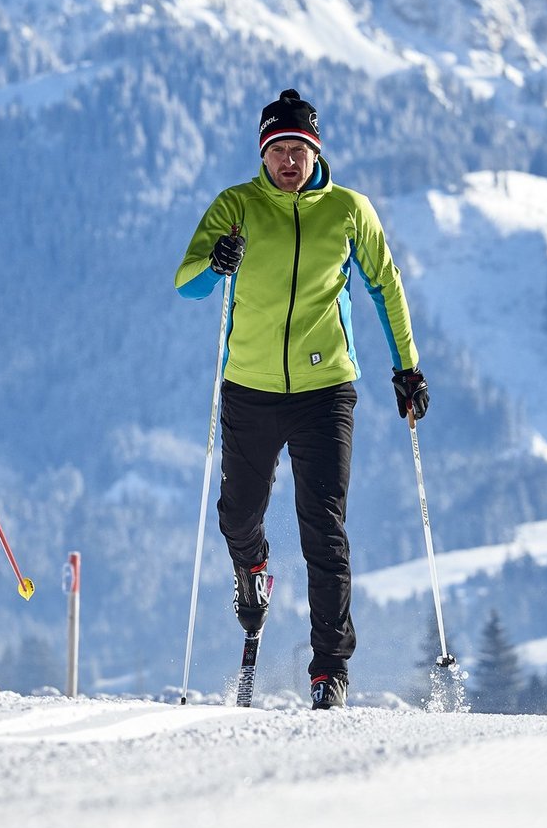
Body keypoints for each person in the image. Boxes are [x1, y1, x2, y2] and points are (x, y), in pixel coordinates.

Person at [175, 88, 428, 710]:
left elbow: (385, 285)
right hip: (250, 387)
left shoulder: (348, 210)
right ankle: (252, 568)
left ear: (317, 151)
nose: (290, 160)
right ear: (263, 154)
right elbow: (188, 285)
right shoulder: (235, 207)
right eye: (279, 149)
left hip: (325, 391)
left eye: (300, 149)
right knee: (237, 515)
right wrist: (217, 261)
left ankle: (330, 669)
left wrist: (408, 367)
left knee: (325, 527)